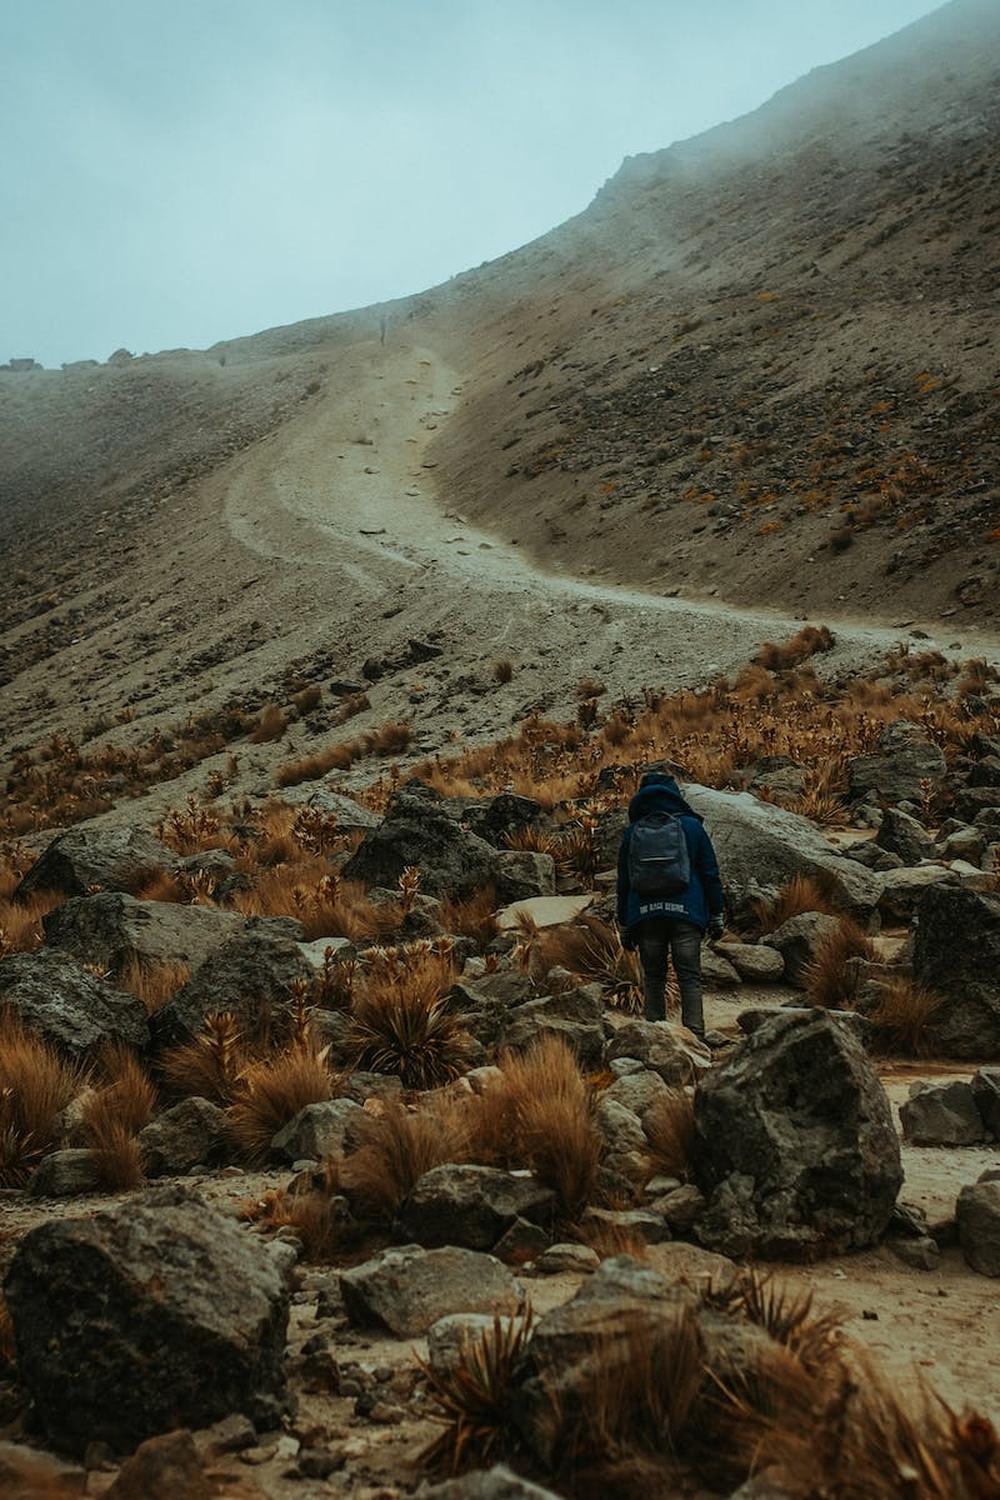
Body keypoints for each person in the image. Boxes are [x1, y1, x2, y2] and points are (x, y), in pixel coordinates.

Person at [616, 770, 725, 1040]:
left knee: (654, 977)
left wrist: (625, 923)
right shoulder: (692, 827)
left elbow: (624, 881)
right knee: (690, 976)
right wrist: (716, 913)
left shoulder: (633, 832)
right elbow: (710, 873)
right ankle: (695, 1038)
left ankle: (654, 1038)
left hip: (645, 915)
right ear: (675, 795)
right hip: (686, 914)